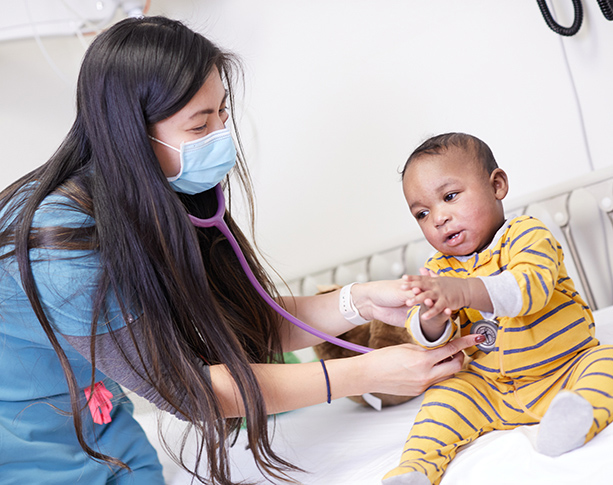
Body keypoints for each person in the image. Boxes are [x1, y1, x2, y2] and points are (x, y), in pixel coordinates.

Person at [0, 17, 483, 485]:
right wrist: (363, 373)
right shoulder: (60, 244)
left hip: (97, 415)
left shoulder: (166, 194)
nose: (220, 135)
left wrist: (355, 302)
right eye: (198, 125)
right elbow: (188, 389)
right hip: (17, 436)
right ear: (131, 136)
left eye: (222, 112)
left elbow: (243, 324)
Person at [382, 132, 613, 485]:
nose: (439, 218)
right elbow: (424, 334)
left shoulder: (527, 234)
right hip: (492, 390)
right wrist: (433, 314)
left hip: (566, 368)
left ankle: (575, 419)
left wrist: (462, 292)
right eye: (423, 213)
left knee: (608, 361)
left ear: (497, 185)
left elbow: (527, 291)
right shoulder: (441, 268)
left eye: (450, 196)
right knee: (445, 395)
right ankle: (414, 470)